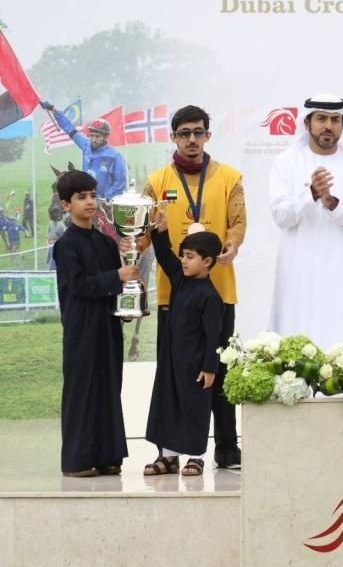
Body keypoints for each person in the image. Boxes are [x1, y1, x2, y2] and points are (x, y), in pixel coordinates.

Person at [136, 105, 246, 469]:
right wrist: (133, 243)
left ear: (208, 136)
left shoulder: (230, 177)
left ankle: (226, 448)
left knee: (218, 372)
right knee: (173, 374)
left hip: (219, 293)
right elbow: (142, 232)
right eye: (185, 133)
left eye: (199, 132)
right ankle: (168, 452)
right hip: (174, 296)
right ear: (173, 137)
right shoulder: (156, 182)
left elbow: (237, 223)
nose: (192, 139)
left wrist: (232, 245)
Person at [268, 95, 343, 344]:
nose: (329, 125)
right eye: (321, 119)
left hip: (342, 273)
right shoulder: (286, 161)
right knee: (297, 343)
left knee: (342, 343)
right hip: (299, 273)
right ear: (307, 123)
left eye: (335, 120)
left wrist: (334, 204)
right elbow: (281, 216)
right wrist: (311, 195)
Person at [52, 170, 135, 477]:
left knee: (109, 387)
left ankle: (108, 455)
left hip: (108, 326)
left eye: (92, 195)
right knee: (82, 389)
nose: (89, 202)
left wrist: (127, 304)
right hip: (81, 328)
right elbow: (79, 285)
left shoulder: (106, 243)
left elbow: (115, 287)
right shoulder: (65, 245)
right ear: (66, 204)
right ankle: (77, 460)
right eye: (81, 197)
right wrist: (117, 276)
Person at [143, 208, 223, 476]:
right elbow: (164, 255)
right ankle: (168, 457)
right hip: (171, 360)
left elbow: (213, 336)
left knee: (194, 408)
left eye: (190, 257)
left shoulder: (210, 296)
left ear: (207, 261)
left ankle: (196, 457)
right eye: (183, 256)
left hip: (195, 366)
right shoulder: (180, 279)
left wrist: (209, 367)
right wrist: (162, 230)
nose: (184, 261)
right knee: (167, 405)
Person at [40, 102, 127, 200]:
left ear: (106, 137)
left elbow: (120, 183)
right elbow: (70, 129)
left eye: (97, 137)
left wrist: (106, 198)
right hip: (87, 199)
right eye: (92, 136)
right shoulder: (86, 145)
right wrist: (53, 110)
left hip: (105, 203)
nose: (94, 140)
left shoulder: (115, 156)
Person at [46, 204, 68, 270]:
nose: (56, 215)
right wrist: (49, 240)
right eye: (54, 213)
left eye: (57, 213)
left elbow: (66, 236)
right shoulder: (50, 224)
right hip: (50, 245)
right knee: (50, 259)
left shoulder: (61, 225)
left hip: (58, 247)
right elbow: (48, 235)